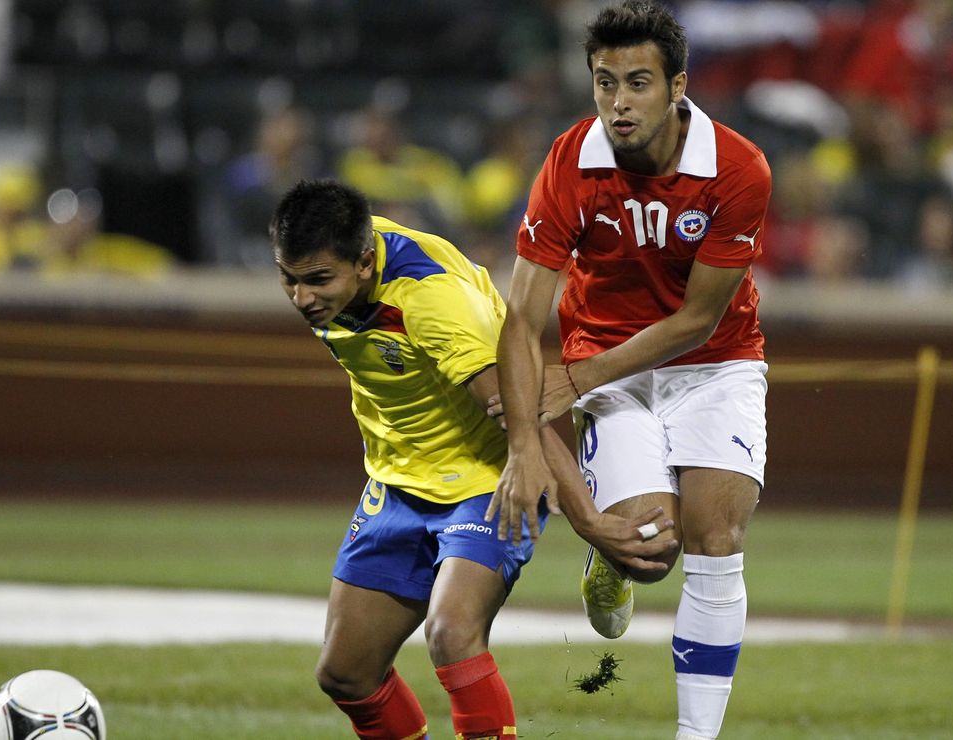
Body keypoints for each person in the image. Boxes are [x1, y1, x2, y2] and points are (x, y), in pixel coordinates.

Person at [269, 179, 673, 740]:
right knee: (346, 674)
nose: (302, 298)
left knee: (452, 634)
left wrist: (591, 522)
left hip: (493, 475)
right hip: (400, 482)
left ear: (365, 263)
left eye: (316, 282)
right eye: (288, 279)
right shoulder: (339, 256)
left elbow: (517, 407)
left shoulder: (433, 301)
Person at [488, 3, 771, 739]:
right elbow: (522, 316)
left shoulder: (738, 168)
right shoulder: (569, 162)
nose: (618, 101)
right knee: (650, 554)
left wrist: (574, 382)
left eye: (637, 82)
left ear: (677, 86)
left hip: (715, 363)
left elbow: (696, 321)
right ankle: (608, 561)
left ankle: (696, 735)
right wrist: (526, 433)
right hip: (609, 367)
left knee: (716, 542)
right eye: (604, 82)